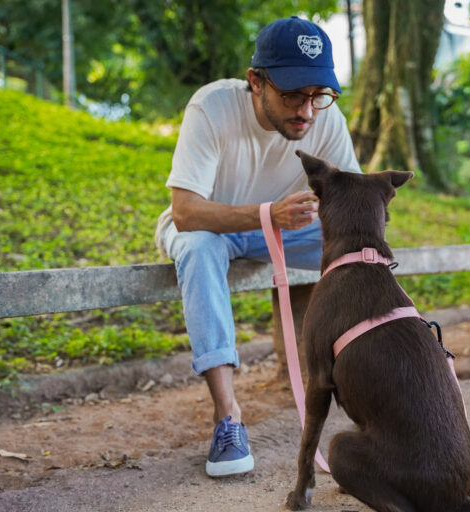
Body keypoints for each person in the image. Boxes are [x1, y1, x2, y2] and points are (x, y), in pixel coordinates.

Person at [154, 15, 361, 477]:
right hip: (211, 230)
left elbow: (349, 203)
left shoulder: (324, 120)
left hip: (287, 232)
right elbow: (186, 211)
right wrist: (267, 214)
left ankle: (372, 381)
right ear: (256, 81)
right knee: (197, 248)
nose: (306, 111)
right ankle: (228, 418)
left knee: (360, 249)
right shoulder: (212, 107)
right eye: (291, 94)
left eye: (317, 96)